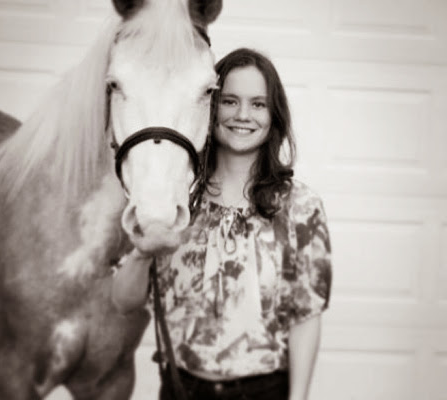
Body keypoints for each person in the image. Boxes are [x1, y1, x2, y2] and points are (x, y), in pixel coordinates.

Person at [112, 48, 332, 400]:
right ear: (209, 107)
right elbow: (124, 302)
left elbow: (305, 317)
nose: (242, 115)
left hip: (263, 392)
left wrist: (299, 397)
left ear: (273, 115)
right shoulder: (173, 201)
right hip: (181, 389)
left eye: (258, 104)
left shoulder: (300, 207)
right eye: (229, 101)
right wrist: (141, 253)